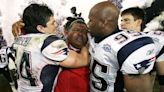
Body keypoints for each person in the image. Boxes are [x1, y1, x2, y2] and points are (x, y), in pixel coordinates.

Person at [12, 3, 89, 92]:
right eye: (52, 23)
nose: (56, 25)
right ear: (40, 28)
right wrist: (87, 41)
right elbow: (84, 60)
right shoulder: (49, 42)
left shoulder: (19, 37)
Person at [87, 1, 158, 92]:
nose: (88, 24)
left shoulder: (130, 46)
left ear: (104, 22)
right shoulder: (92, 36)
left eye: (91, 20)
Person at [119, 7, 164, 92]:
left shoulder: (155, 39)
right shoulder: (115, 39)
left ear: (139, 22)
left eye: (126, 20)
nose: (122, 24)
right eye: (121, 20)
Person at [54, 17, 90, 92]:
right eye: (76, 30)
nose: (80, 34)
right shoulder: (56, 49)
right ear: (67, 32)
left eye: (84, 31)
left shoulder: (93, 54)